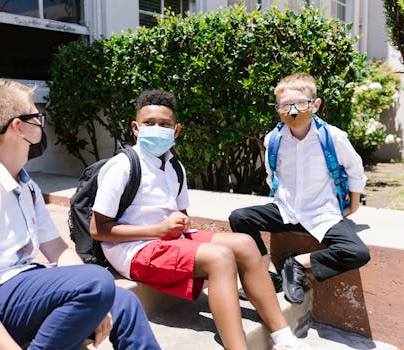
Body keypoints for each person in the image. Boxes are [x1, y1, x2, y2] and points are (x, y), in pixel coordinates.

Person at [0, 77, 160, 350]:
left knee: (122, 301)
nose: (41, 123)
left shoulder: (26, 186)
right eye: (37, 117)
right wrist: (95, 289)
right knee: (97, 282)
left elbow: (58, 249)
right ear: (18, 127)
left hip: (18, 289)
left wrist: (100, 302)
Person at [90, 90, 309, 350]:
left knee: (245, 243)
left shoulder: (174, 166)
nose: (156, 129)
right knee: (219, 257)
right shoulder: (122, 166)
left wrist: (178, 225)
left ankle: (283, 336)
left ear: (177, 130)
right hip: (132, 249)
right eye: (149, 123)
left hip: (166, 239)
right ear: (136, 128)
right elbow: (98, 229)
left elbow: (180, 214)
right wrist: (158, 229)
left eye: (165, 124)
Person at [229, 72, 371, 305]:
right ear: (278, 109)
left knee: (356, 252)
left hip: (322, 212)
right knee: (240, 218)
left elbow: (355, 169)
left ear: (315, 105)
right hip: (286, 210)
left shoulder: (333, 137)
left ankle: (295, 265)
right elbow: (271, 175)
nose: (293, 111)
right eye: (285, 105)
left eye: (301, 103)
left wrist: (353, 204)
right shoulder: (273, 139)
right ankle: (266, 276)